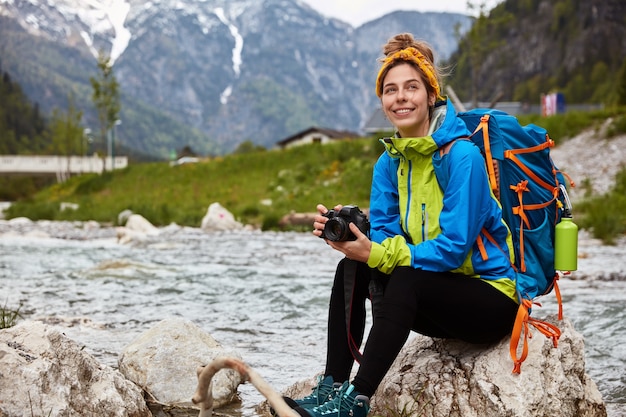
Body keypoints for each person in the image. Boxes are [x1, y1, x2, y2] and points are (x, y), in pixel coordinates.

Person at [285, 33, 520, 417]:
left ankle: (356, 402)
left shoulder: (462, 157)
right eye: (391, 90)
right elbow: (390, 241)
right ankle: (332, 386)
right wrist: (356, 233)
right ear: (383, 102)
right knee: (351, 268)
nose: (401, 97)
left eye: (412, 87)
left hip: (489, 301)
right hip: (434, 300)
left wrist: (378, 250)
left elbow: (454, 248)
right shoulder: (389, 163)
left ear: (431, 95)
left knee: (406, 276)